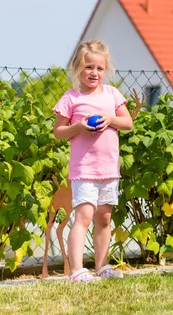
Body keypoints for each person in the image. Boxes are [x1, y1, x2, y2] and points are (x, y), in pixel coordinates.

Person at [53, 39, 133, 282]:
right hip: (84, 170)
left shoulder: (112, 94)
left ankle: (101, 266)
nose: (94, 73)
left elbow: (128, 123)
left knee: (104, 218)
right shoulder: (71, 97)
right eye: (89, 67)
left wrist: (110, 118)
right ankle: (77, 270)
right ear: (78, 67)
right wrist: (78, 127)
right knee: (84, 216)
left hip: (109, 169)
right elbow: (58, 131)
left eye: (99, 68)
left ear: (106, 70)